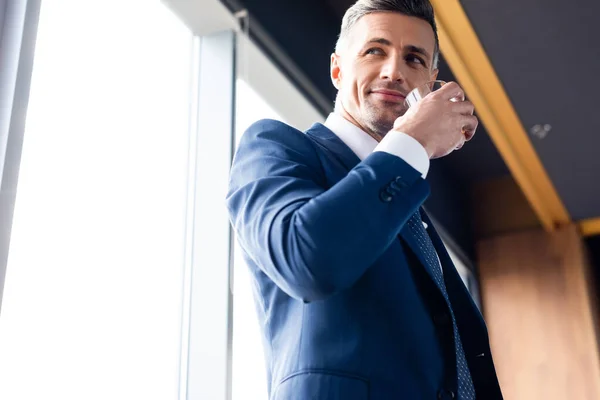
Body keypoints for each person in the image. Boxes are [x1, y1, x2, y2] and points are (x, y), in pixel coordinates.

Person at [226, 0, 503, 398]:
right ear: (338, 69)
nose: (394, 71)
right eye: (375, 50)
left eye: (414, 59)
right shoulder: (273, 146)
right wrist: (413, 142)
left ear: (431, 82)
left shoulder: (409, 202)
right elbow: (305, 258)